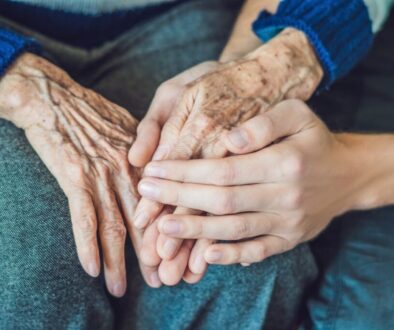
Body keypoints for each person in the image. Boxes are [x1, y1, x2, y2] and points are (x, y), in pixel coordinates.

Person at [0, 0, 391, 329]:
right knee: (29, 265)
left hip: (183, 17)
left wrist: (282, 59)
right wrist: (22, 84)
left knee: (240, 255)